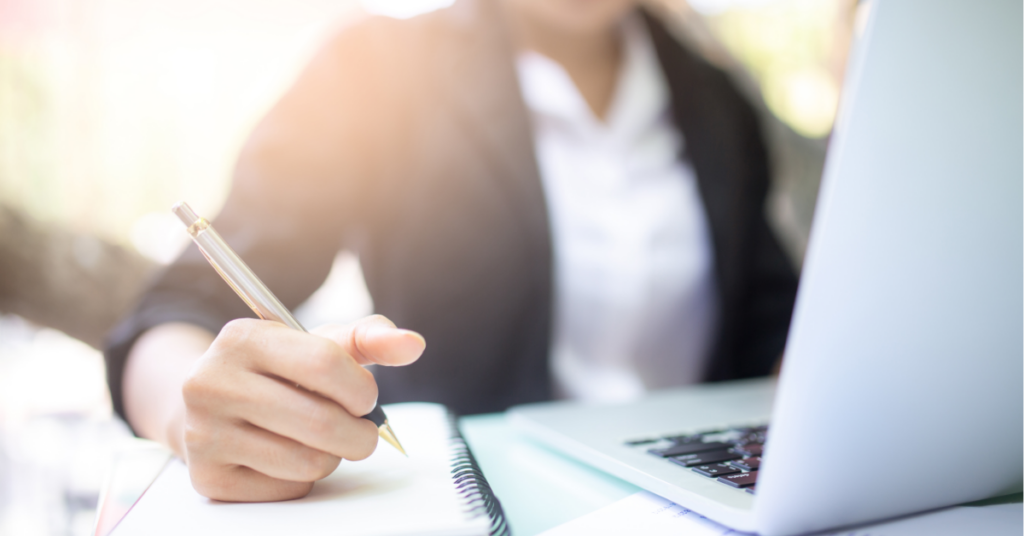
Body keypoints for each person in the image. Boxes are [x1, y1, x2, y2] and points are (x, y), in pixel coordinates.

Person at [104, 0, 798, 502]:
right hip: (466, 499)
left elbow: (774, 322)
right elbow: (175, 310)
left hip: (702, 502)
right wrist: (190, 414)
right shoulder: (374, 70)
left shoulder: (716, 98)